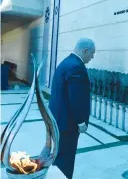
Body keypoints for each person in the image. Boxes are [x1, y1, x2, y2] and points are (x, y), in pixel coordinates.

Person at [49, 38, 95, 179]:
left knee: (60, 155)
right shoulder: (76, 67)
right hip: (67, 123)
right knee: (66, 159)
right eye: (92, 54)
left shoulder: (66, 62)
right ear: (85, 51)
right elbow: (76, 98)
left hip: (58, 118)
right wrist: (81, 122)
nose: (92, 57)